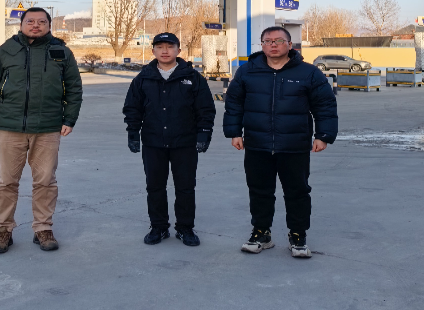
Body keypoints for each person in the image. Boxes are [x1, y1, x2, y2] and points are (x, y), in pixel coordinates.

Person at [223, 26, 337, 258]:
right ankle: (261, 233)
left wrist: (323, 135)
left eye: (278, 41)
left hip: (294, 145)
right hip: (257, 144)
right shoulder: (247, 72)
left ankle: (298, 236)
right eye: (267, 41)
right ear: (262, 45)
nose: (273, 45)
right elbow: (234, 103)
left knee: (297, 192)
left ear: (290, 45)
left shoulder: (309, 73)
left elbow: (324, 105)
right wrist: (234, 132)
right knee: (259, 191)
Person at [0, 7, 82, 254]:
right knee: (5, 182)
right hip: (10, 127)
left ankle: (43, 228)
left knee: (45, 181)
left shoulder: (61, 52)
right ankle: (3, 230)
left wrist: (69, 119)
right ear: (21, 24)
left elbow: (74, 88)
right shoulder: (5, 51)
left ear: (49, 25)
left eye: (41, 21)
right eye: (30, 21)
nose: (36, 25)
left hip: (47, 128)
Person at [123, 32, 216, 246]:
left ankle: (185, 228)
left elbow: (205, 109)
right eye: (160, 47)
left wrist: (204, 133)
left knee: (185, 187)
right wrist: (133, 133)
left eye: (170, 46)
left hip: (185, 142)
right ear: (153, 51)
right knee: (155, 187)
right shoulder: (143, 78)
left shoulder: (193, 78)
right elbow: (132, 108)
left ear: (178, 50)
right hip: (153, 142)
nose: (165, 51)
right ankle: (159, 227)